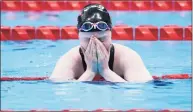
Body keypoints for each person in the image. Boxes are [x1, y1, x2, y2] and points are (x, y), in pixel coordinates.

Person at [49, 4, 153, 83]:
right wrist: (90, 71)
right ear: (78, 37)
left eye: (102, 39)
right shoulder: (69, 60)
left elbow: (141, 91)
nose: (96, 45)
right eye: (88, 40)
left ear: (111, 35)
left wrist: (105, 71)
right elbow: (61, 94)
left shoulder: (127, 57)